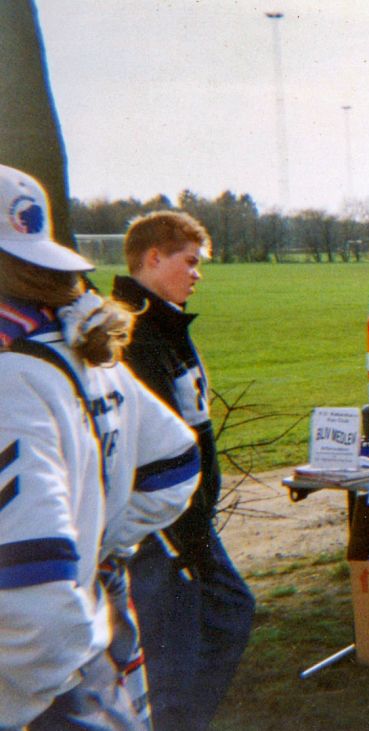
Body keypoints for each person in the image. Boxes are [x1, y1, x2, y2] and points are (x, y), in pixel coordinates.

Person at [0, 164, 200, 729]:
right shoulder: (69, 344)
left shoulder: (11, 375)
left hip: (42, 692)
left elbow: (32, 598)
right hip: (82, 655)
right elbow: (176, 462)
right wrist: (102, 540)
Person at [114, 211, 255, 730]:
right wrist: (178, 529)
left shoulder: (168, 324)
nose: (197, 274)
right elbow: (148, 447)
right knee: (173, 657)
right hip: (164, 529)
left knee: (230, 610)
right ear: (153, 258)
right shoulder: (132, 336)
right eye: (189, 262)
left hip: (192, 521)